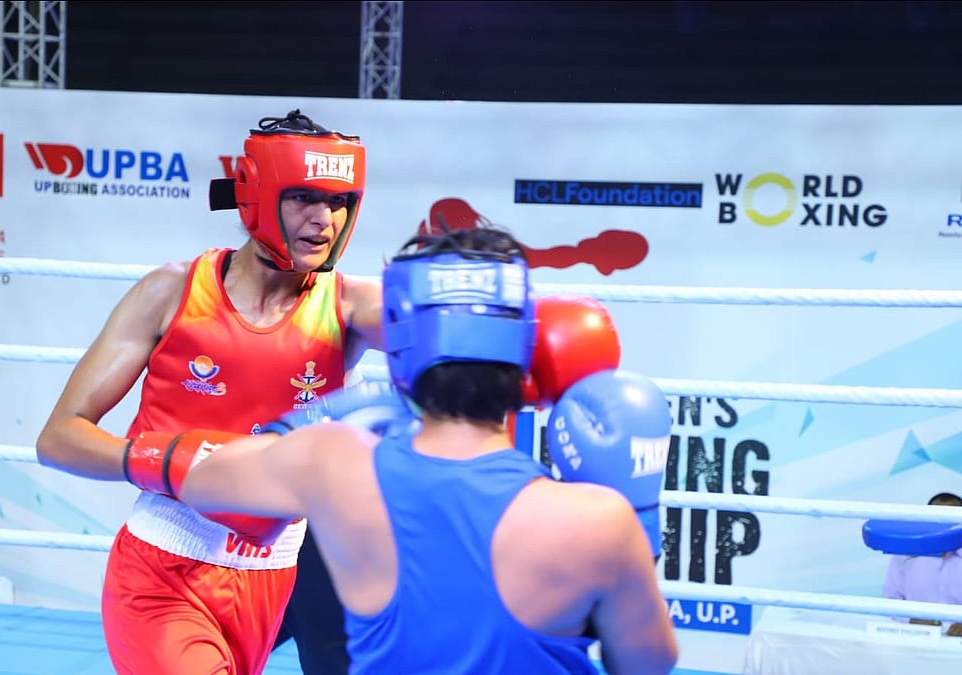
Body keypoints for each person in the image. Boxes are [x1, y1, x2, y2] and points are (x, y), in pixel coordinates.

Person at [130, 227, 680, 674]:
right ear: (529, 354)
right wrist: (640, 516)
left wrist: (301, 422)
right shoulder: (600, 520)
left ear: (400, 344)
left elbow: (200, 481)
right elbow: (649, 665)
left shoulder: (330, 462)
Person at [36, 109, 381, 675]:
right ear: (256, 195)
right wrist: (171, 461)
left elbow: (453, 333)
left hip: (272, 578)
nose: (325, 220)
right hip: (162, 571)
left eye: (340, 202)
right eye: (304, 198)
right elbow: (58, 438)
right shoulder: (172, 293)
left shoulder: (349, 307)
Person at [882, 491, 962, 636]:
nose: (945, 525)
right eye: (938, 518)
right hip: (914, 637)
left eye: (951, 518)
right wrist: (911, 620)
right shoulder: (904, 554)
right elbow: (891, 599)